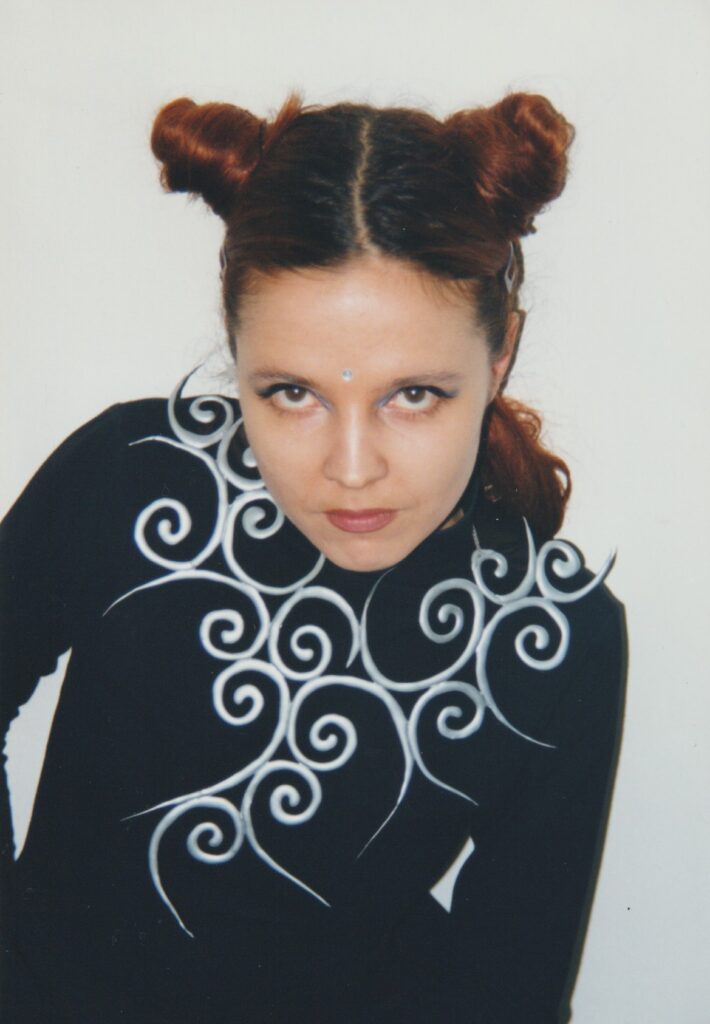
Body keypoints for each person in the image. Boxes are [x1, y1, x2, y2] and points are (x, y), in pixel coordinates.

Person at [0, 90, 627, 1023]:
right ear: (236, 350)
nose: (351, 468)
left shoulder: (553, 637)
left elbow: (509, 993)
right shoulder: (133, 478)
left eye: (414, 394)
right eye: (292, 393)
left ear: (499, 358)